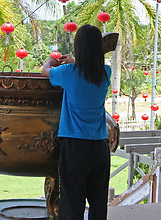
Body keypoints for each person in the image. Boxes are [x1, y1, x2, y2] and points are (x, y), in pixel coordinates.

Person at [41, 24, 111, 220]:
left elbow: (44, 71)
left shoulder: (68, 73)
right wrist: (76, 62)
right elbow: (89, 67)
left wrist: (51, 60)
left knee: (72, 203)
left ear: (78, 47)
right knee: (98, 203)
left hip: (75, 147)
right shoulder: (106, 73)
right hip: (100, 146)